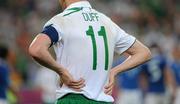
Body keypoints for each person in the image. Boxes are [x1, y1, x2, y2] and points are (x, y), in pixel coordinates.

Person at [28, 0, 151, 103]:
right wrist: (114, 71)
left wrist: (61, 71)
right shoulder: (107, 22)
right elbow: (144, 52)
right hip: (104, 100)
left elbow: (36, 49)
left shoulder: (62, 20)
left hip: (74, 98)